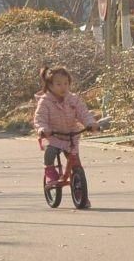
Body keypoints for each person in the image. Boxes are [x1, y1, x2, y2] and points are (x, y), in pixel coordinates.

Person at [33, 65, 96, 198]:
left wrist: (90, 124)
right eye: (59, 84)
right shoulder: (45, 101)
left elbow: (83, 113)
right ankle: (50, 172)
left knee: (76, 164)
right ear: (50, 85)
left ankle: (81, 194)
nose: (63, 87)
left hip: (71, 135)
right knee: (50, 152)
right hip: (53, 135)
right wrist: (43, 129)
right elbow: (40, 118)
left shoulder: (73, 99)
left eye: (66, 83)